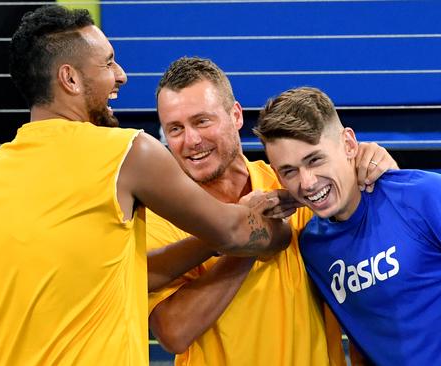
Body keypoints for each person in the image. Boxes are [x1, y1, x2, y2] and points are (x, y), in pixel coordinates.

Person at [0, 6, 291, 365]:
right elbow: (233, 233)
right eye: (108, 63)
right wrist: (278, 227)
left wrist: (206, 245)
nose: (121, 76)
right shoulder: (125, 154)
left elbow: (122, 275)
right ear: (69, 79)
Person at [253, 86, 441, 366]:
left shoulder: (423, 196)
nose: (306, 182)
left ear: (348, 144)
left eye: (315, 160)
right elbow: (365, 338)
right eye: (289, 171)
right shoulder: (313, 246)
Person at [146, 57, 398, 365]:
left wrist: (371, 165)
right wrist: (248, 234)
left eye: (202, 121)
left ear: (235, 115)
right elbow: (173, 332)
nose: (191, 140)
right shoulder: (160, 218)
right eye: (175, 129)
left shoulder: (295, 185)